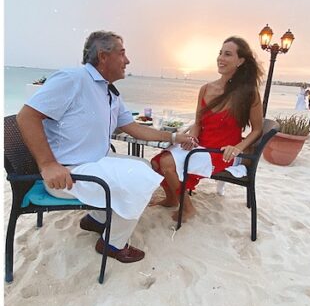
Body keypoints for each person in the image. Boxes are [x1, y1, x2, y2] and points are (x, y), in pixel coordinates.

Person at [17, 31, 196, 263]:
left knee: (142, 167)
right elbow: (26, 116)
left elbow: (132, 127)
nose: (128, 61)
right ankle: (112, 244)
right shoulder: (73, 79)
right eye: (122, 53)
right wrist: (48, 164)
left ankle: (98, 218)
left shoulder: (108, 90)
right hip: (67, 174)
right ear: (103, 56)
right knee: (140, 178)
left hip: (92, 164)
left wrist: (173, 137)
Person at [150, 36, 264, 222]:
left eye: (228, 54)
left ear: (241, 61)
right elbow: (198, 122)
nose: (221, 58)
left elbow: (257, 130)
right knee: (156, 163)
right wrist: (192, 138)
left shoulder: (248, 93)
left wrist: (238, 148)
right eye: (220, 53)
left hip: (220, 152)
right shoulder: (205, 88)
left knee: (168, 165)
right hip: (200, 146)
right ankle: (172, 199)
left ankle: (188, 209)